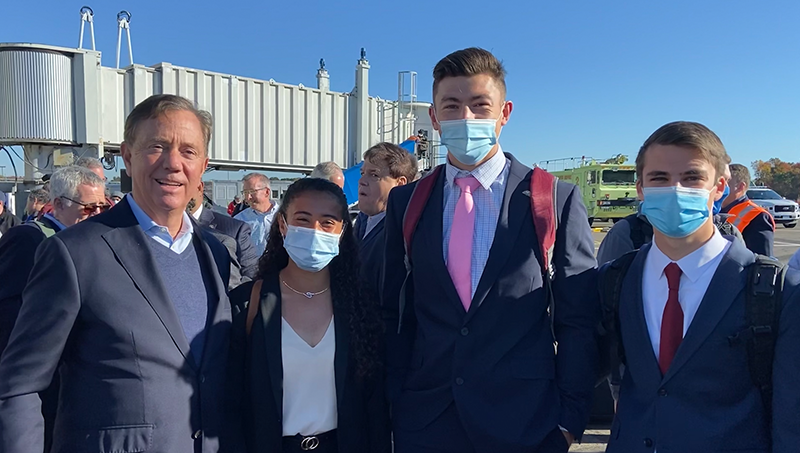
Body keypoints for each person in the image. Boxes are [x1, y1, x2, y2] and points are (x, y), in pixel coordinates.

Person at [382, 47, 599, 453]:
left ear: (505, 113)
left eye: (480, 106)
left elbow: (578, 320)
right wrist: (396, 400)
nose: (466, 118)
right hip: (427, 421)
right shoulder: (407, 203)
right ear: (434, 117)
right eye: (452, 106)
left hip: (525, 422)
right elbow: (395, 313)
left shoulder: (553, 199)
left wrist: (570, 418)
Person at [0, 94, 236, 453]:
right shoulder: (75, 253)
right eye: (157, 146)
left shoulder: (216, 253)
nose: (173, 163)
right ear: (127, 156)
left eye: (188, 152)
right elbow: (21, 384)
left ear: (203, 165)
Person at [601, 121, 800, 452]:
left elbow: (792, 419)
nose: (676, 190)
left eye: (692, 178)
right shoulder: (615, 279)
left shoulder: (780, 291)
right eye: (659, 179)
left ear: (719, 186)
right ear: (640, 189)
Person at [228, 178, 390, 453]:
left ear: (341, 231)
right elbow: (230, 398)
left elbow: (374, 404)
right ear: (282, 225)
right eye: (302, 220)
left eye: (327, 222)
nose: (315, 231)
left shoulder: (360, 305)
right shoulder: (248, 302)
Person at [0, 166, 107, 452]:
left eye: (102, 206)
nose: (97, 214)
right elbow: (10, 315)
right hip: (45, 383)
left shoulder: (99, 244)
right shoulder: (28, 239)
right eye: (88, 208)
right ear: (58, 204)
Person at [354, 142, 417, 298]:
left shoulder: (404, 234)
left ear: (400, 184)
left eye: (374, 175)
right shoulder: (359, 224)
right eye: (362, 173)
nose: (362, 181)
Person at [188, 182, 259, 289]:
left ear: (199, 188)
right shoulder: (157, 228)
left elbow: (251, 273)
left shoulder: (233, 229)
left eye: (183, 185)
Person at [721, 163, 775, 256]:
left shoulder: (758, 216)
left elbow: (762, 262)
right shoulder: (715, 210)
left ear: (740, 187)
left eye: (726, 182)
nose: (720, 186)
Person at [235, 173, 279, 255]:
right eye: (245, 192)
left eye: (252, 192)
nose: (248, 197)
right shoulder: (239, 220)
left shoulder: (285, 216)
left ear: (266, 192)